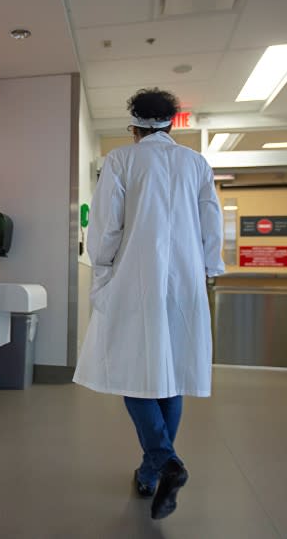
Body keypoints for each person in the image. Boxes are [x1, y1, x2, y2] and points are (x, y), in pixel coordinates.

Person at [73, 88, 224, 520]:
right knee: (170, 373)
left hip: (136, 279)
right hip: (186, 282)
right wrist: (208, 268)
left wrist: (100, 270)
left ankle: (164, 459)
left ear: (135, 125)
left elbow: (105, 228)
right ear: (173, 123)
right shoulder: (196, 163)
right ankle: (150, 472)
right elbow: (211, 221)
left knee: (132, 370)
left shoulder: (122, 160)